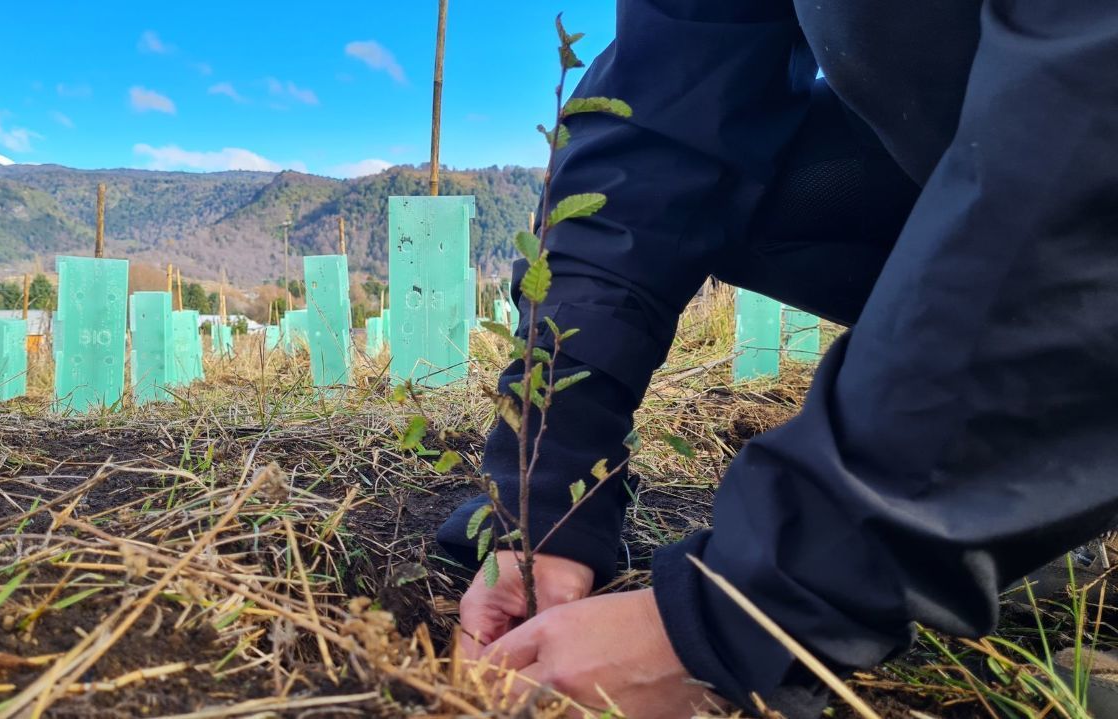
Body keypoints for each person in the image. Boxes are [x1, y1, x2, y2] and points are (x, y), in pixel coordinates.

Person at [437, 1, 1118, 716]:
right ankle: (1012, 505)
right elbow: (663, 116)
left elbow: (1089, 147)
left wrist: (734, 620)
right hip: (990, 148)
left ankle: (1001, 494)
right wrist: (545, 500)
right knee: (744, 179)